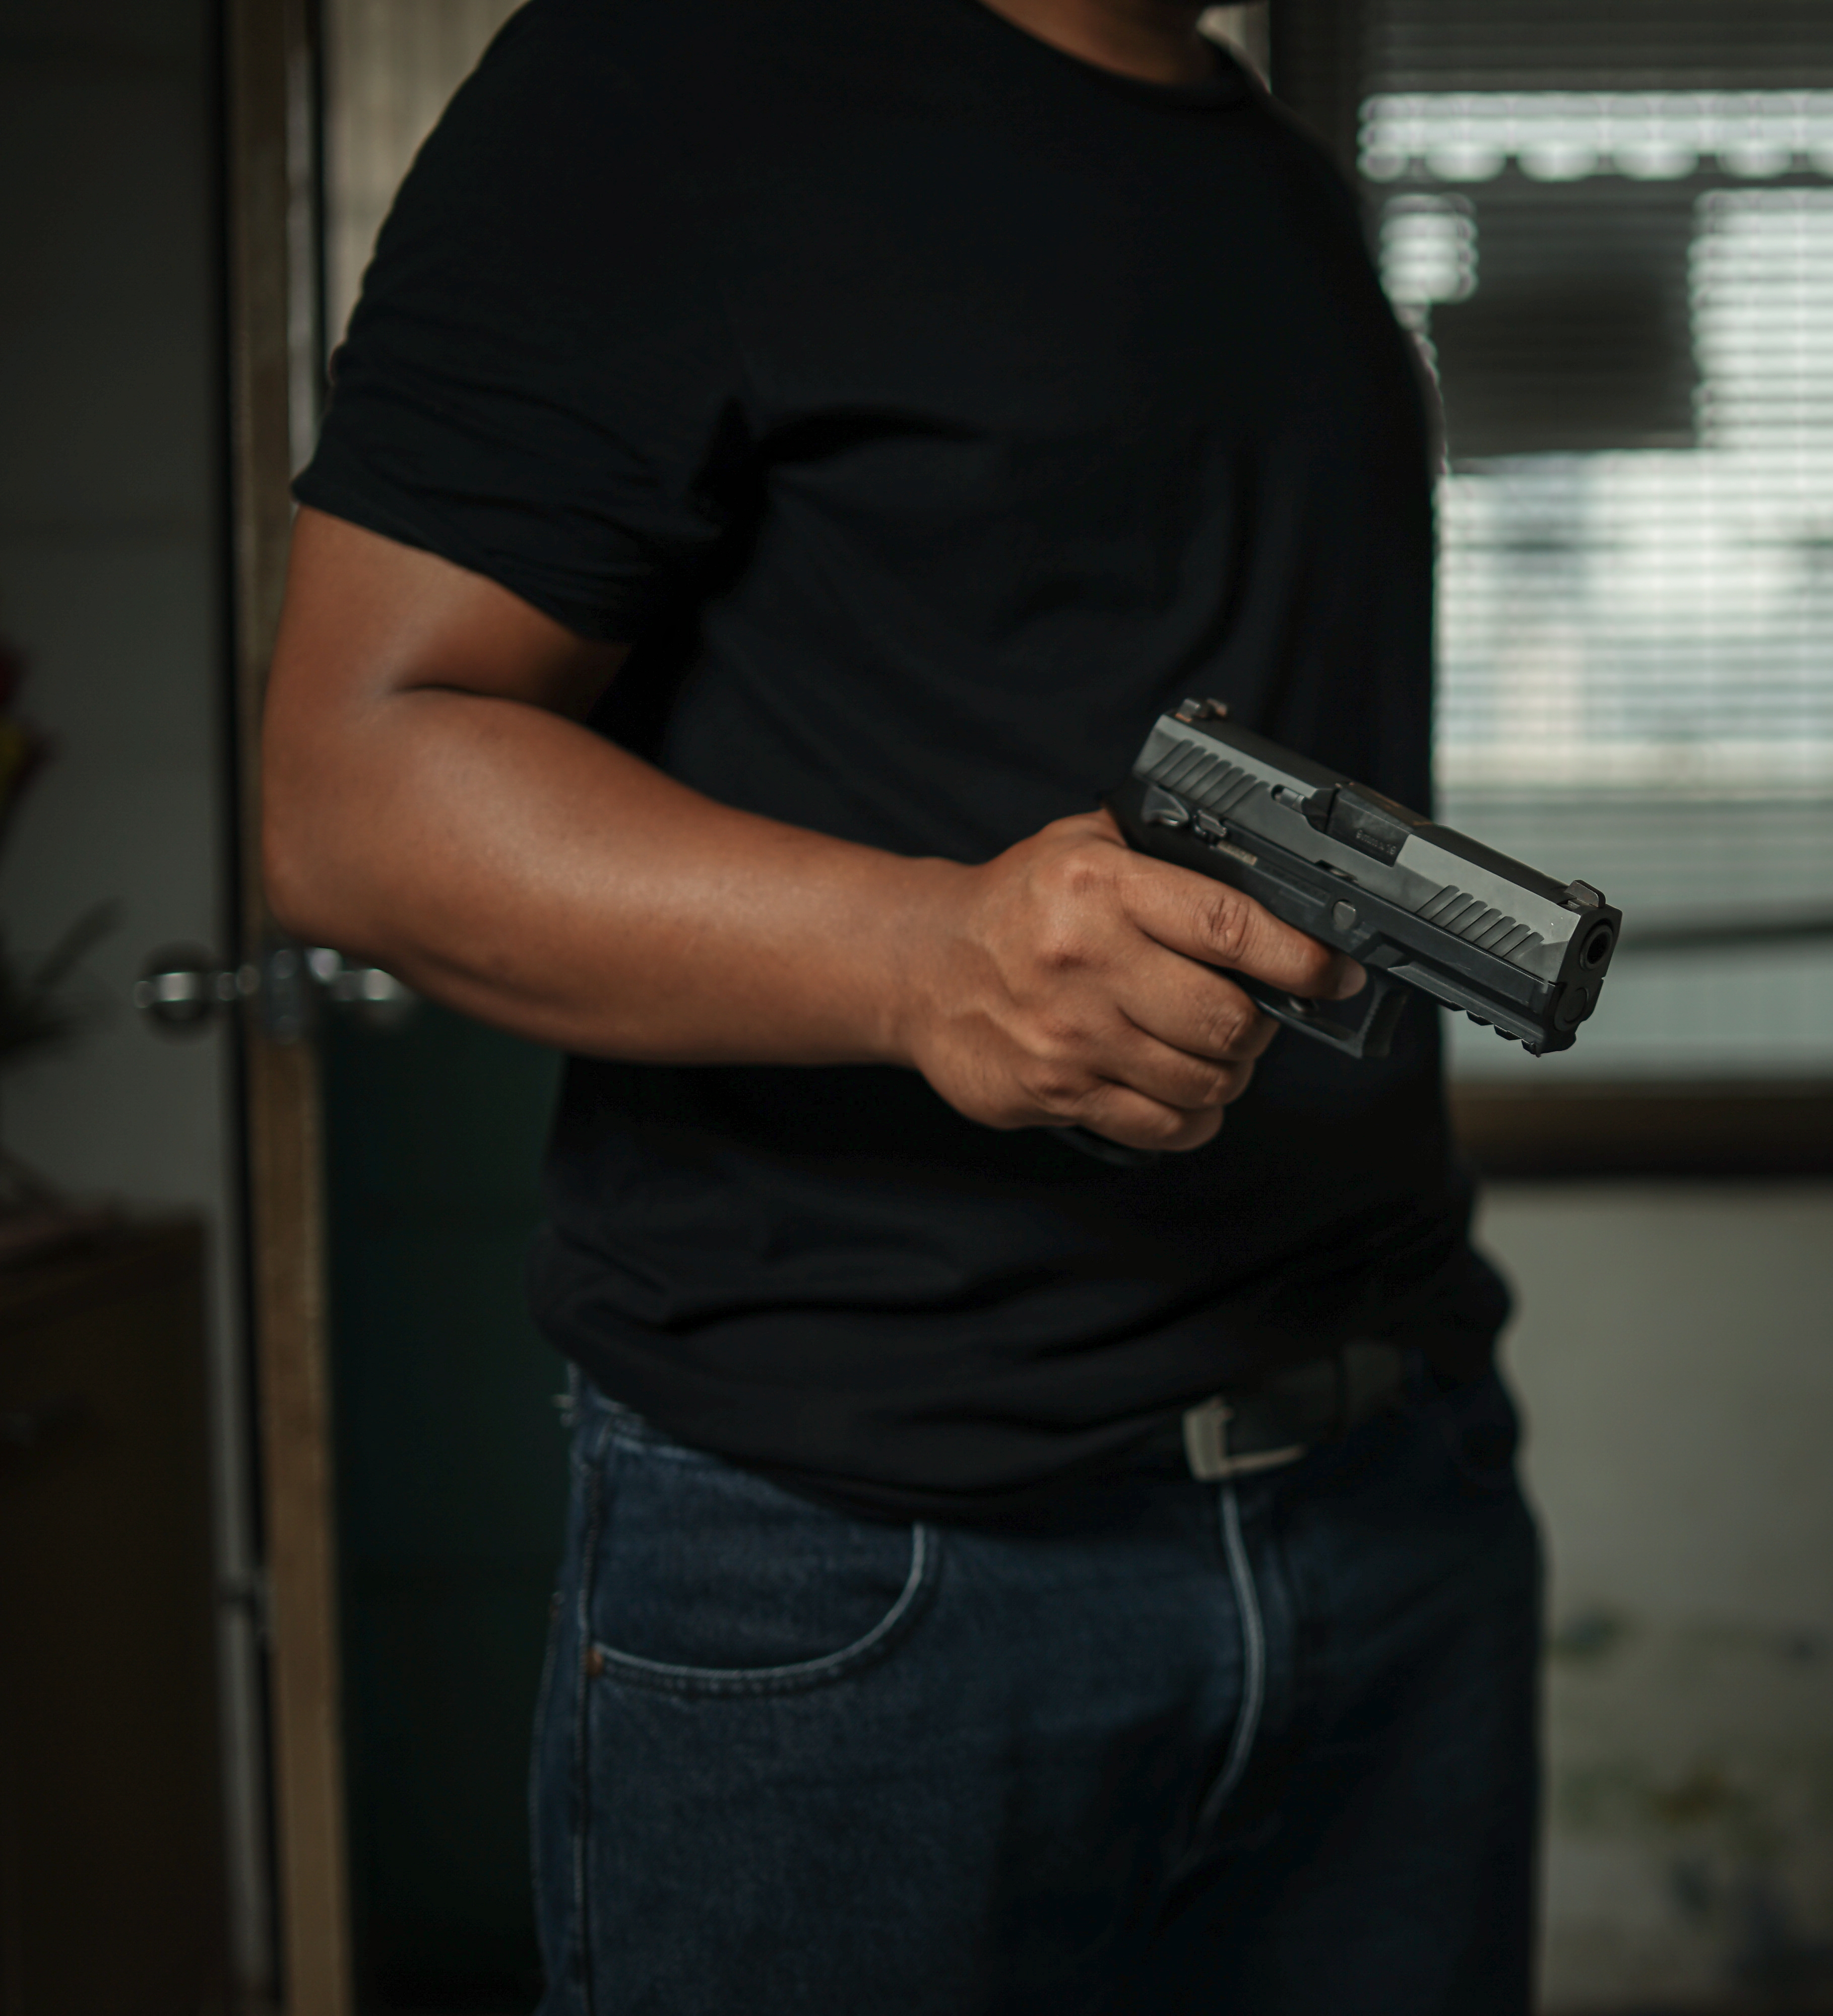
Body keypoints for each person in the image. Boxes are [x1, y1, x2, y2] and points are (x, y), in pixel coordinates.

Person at [259, 0, 1540, 2008]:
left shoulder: (1267, 172)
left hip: (1389, 1502)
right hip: (861, 1556)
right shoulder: (668, 73)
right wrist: (920, 954)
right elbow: (356, 786)